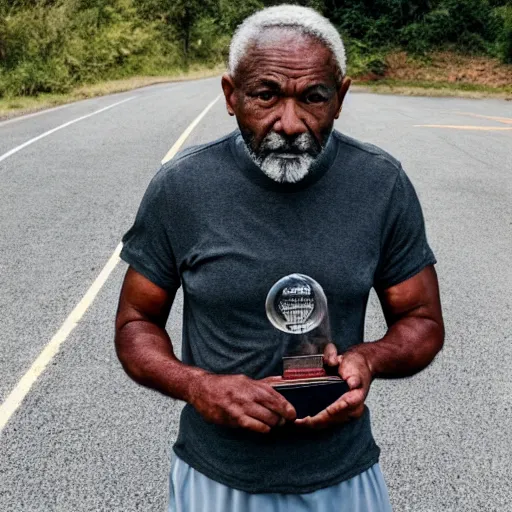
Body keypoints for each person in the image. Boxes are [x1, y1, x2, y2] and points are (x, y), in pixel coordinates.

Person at [114, 5, 444, 511]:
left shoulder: (381, 185)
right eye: (266, 94)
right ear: (231, 95)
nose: (289, 124)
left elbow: (421, 319)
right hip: (217, 479)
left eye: (313, 97)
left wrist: (367, 359)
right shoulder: (182, 188)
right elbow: (136, 321)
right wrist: (198, 385)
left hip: (342, 477)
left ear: (340, 98)